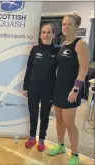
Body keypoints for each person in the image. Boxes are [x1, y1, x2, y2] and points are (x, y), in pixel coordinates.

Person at [48, 13, 89, 165]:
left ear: (76, 26)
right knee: (58, 120)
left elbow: (84, 69)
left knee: (69, 123)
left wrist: (76, 90)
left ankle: (75, 154)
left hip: (71, 90)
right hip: (58, 88)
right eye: (64, 24)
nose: (65, 27)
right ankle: (60, 146)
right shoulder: (63, 44)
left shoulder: (80, 44)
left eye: (69, 24)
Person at [23, 24, 60, 152]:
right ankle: (32, 137)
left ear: (53, 35)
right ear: (40, 35)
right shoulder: (35, 49)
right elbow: (28, 69)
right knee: (33, 114)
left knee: (44, 115)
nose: (45, 35)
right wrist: (25, 86)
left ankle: (42, 139)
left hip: (48, 89)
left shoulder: (57, 50)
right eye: (43, 32)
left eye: (49, 32)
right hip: (33, 87)